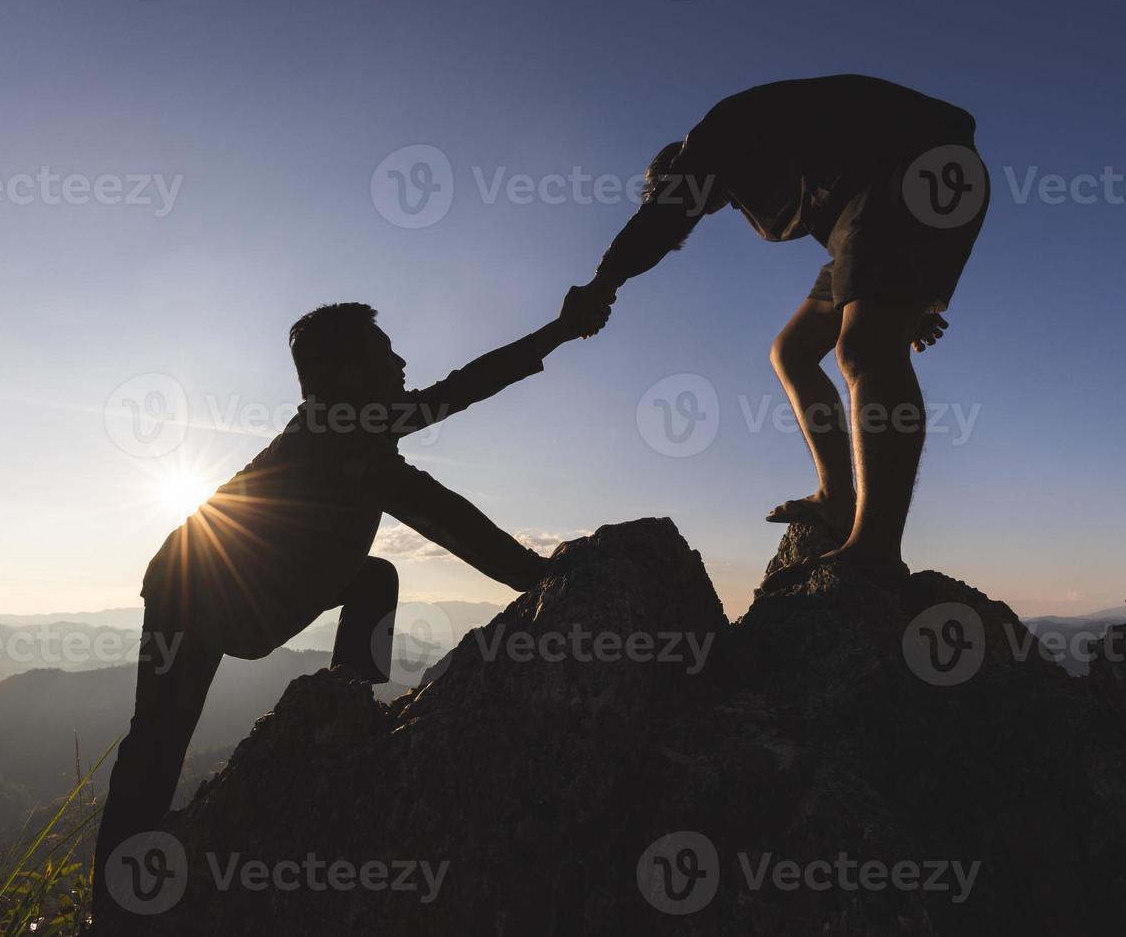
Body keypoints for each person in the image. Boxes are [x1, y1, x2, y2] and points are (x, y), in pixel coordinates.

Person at [91, 295, 607, 925]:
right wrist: (540, 577)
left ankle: (344, 710)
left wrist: (555, 333)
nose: (401, 362)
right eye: (385, 353)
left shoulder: (355, 425)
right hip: (190, 596)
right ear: (348, 374)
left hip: (261, 591)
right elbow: (439, 512)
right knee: (156, 750)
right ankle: (114, 914)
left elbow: (462, 389)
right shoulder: (340, 438)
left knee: (373, 579)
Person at [567, 74, 988, 589]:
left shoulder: (721, 135)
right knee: (792, 351)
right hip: (888, 199)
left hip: (913, 171)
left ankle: (875, 549)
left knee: (863, 349)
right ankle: (837, 499)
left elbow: (665, 217)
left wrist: (603, 283)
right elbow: (867, 250)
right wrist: (909, 300)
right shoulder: (765, 167)